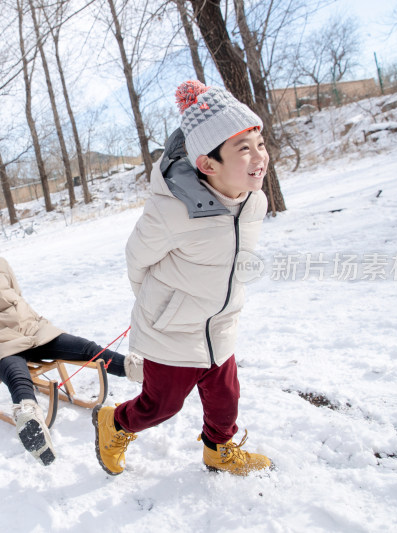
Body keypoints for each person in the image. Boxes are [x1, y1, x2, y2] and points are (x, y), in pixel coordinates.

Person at [92, 80, 273, 476]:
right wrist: (164, 304)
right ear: (207, 165)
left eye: (259, 143)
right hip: (171, 330)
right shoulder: (172, 210)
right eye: (243, 149)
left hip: (218, 324)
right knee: (161, 406)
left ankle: (218, 450)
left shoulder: (253, 200)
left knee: (226, 401)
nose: (259, 156)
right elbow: (137, 260)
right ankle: (115, 423)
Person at [0, 213, 143, 467]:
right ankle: (29, 417)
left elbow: (18, 296)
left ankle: (137, 369)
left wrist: (35, 322)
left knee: (85, 348)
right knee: (16, 373)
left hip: (31, 329)